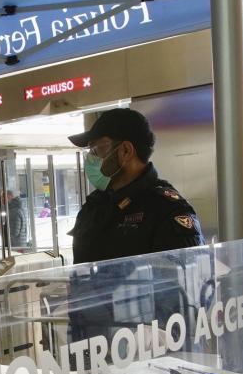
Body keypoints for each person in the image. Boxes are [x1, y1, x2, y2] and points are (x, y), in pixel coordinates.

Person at [67, 107, 204, 263]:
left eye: (96, 149)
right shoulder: (94, 206)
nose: (91, 158)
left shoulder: (166, 210)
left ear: (125, 151)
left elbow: (190, 277)